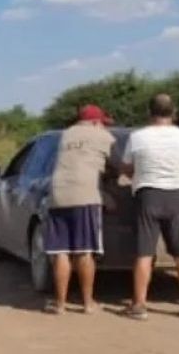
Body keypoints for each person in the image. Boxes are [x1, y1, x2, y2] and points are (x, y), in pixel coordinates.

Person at [121, 94, 179, 320]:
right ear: (174, 113)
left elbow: (126, 168)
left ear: (149, 112)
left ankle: (139, 305)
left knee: (144, 253)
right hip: (177, 195)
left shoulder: (137, 137)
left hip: (148, 195)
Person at [46, 104, 122, 315]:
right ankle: (88, 303)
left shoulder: (66, 135)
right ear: (97, 122)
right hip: (85, 196)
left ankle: (60, 304)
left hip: (58, 195)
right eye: (103, 124)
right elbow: (118, 164)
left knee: (61, 252)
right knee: (84, 251)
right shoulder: (103, 136)